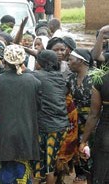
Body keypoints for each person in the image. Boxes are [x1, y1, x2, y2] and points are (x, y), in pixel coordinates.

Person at [0, 45, 41, 183]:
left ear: (4, 61)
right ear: (23, 61)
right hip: (26, 133)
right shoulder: (34, 82)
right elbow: (38, 107)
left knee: (3, 172)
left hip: (4, 135)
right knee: (22, 171)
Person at [32, 50, 69, 184]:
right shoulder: (60, 76)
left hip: (47, 127)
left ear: (41, 63)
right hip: (61, 126)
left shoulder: (36, 75)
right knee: (51, 162)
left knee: (46, 165)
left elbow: (21, 71)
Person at [67, 48, 94, 183]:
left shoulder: (96, 78)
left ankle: (91, 173)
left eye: (71, 59)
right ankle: (80, 173)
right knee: (76, 145)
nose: (68, 62)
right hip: (75, 120)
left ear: (81, 61)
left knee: (90, 146)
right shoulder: (70, 78)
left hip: (93, 120)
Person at [79, 71, 109, 183]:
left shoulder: (101, 80)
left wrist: (83, 141)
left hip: (105, 135)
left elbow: (93, 114)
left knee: (102, 173)